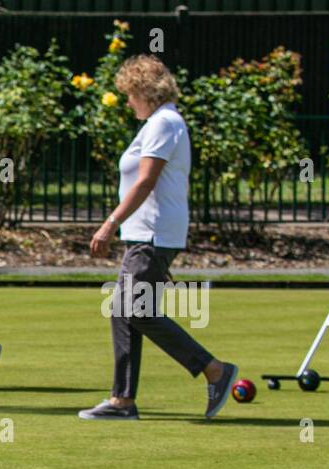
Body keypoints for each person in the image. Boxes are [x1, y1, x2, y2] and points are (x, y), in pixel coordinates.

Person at [80, 55, 238, 420]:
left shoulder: (164, 122)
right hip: (145, 233)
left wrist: (109, 224)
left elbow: (146, 180)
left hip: (152, 233)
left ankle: (214, 369)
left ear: (144, 91)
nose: (127, 101)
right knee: (123, 310)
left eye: (130, 94)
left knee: (136, 309)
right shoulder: (159, 122)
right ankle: (122, 400)